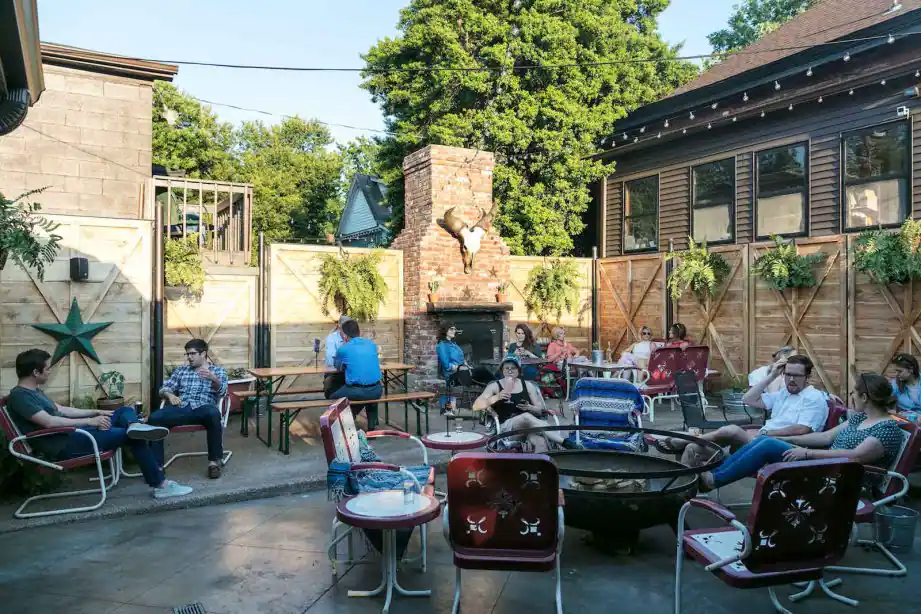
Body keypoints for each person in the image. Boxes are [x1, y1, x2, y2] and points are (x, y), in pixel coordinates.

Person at [6, 349, 193, 499]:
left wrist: (96, 411)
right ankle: (160, 485)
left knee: (123, 412)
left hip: (72, 434)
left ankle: (135, 426)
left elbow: (62, 409)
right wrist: (89, 421)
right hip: (64, 444)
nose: (50, 371)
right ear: (35, 372)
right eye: (47, 368)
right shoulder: (20, 396)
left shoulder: (34, 392)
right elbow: (49, 422)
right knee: (131, 436)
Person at [697, 373, 905, 492]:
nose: (851, 396)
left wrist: (806, 453)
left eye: (854, 393)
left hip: (843, 479)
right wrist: (786, 438)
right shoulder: (860, 418)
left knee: (768, 444)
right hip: (827, 466)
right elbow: (825, 437)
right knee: (766, 440)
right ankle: (714, 476)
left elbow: (855, 457)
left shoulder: (886, 429)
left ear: (865, 397)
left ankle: (714, 479)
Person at [659, 354, 829, 466]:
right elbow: (748, 399)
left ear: (808, 377)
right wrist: (772, 376)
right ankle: (682, 494)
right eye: (788, 374)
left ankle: (680, 440)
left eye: (797, 376)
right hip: (761, 441)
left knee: (731, 430)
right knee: (693, 449)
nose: (791, 379)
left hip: (782, 448)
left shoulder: (814, 398)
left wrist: (767, 434)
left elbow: (802, 429)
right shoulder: (785, 393)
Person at [152, 339, 228, 479]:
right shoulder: (181, 371)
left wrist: (214, 379)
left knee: (213, 413)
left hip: (203, 408)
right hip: (181, 407)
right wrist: (170, 395)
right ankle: (157, 467)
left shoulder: (217, 371)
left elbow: (222, 392)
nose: (189, 357)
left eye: (192, 354)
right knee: (155, 418)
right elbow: (164, 388)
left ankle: (213, 463)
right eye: (187, 354)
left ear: (203, 353)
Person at [472, 356, 567, 452]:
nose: (510, 371)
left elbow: (540, 410)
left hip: (529, 427)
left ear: (518, 370)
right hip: (507, 428)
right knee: (525, 417)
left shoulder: (528, 386)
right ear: (502, 370)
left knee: (541, 443)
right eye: (506, 368)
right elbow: (476, 406)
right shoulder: (495, 386)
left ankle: (538, 466)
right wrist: (497, 397)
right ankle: (565, 442)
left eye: (513, 368)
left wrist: (530, 407)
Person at [332, 319, 383, 425]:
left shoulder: (343, 349)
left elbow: (337, 366)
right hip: (378, 390)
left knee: (332, 395)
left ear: (345, 335)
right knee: (367, 396)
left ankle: (346, 421)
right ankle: (370, 424)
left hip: (357, 391)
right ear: (359, 332)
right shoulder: (371, 344)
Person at [436, 322, 474, 387]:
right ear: (445, 331)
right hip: (452, 376)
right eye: (451, 329)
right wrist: (459, 367)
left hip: (461, 372)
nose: (454, 331)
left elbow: (461, 357)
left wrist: (466, 365)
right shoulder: (441, 345)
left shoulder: (454, 344)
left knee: (481, 372)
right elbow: (447, 366)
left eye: (454, 329)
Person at [323, 315, 352, 398]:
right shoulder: (332, 338)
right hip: (335, 374)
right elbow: (330, 361)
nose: (347, 329)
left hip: (349, 373)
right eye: (345, 326)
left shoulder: (353, 336)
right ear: (339, 326)